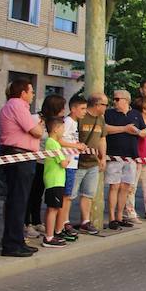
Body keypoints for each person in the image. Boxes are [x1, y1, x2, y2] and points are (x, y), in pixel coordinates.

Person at [0, 78, 44, 257]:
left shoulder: (16, 106)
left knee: (19, 201)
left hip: (21, 156)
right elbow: (37, 132)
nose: (32, 95)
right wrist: (38, 126)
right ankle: (12, 244)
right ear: (23, 93)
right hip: (19, 157)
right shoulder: (17, 105)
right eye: (31, 91)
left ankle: (16, 240)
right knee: (17, 201)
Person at [104, 90, 146, 230]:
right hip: (114, 155)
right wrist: (124, 129)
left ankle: (120, 216)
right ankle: (111, 218)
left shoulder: (136, 114)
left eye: (117, 99)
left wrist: (139, 132)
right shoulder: (109, 113)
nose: (115, 102)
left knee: (125, 187)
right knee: (114, 186)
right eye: (114, 99)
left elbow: (145, 131)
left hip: (131, 156)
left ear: (126, 100)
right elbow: (104, 129)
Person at [26, 94, 66, 236]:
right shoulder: (36, 119)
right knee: (31, 193)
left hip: (47, 163)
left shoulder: (55, 123)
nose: (63, 111)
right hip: (35, 160)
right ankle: (27, 223)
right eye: (61, 107)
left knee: (39, 194)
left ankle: (37, 221)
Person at [69, 94, 107, 235]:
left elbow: (102, 139)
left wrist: (102, 158)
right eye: (105, 104)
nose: (106, 107)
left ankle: (85, 221)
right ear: (97, 105)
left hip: (93, 163)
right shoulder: (80, 117)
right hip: (77, 162)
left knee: (88, 194)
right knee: (70, 195)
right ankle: (64, 222)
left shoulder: (101, 119)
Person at [58, 95, 89, 233]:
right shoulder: (68, 121)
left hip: (72, 163)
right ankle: (63, 222)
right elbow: (58, 140)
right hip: (67, 163)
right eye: (82, 108)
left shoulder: (75, 123)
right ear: (73, 108)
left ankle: (63, 221)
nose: (84, 111)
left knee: (67, 195)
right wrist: (76, 145)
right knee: (65, 196)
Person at [41, 117, 70, 248]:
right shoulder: (53, 143)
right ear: (56, 129)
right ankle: (49, 237)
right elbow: (63, 163)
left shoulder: (52, 142)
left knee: (52, 208)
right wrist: (68, 159)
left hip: (54, 180)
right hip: (55, 180)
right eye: (62, 128)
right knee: (53, 209)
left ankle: (49, 233)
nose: (63, 131)